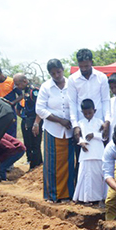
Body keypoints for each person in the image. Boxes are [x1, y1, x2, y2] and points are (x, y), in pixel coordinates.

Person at [35, 58, 76, 202]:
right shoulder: (46, 87)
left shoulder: (72, 84)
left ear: (62, 70)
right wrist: (60, 120)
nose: (57, 75)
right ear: (50, 74)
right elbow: (39, 109)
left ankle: (67, 194)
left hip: (70, 131)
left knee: (68, 163)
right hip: (53, 130)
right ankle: (52, 196)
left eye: (58, 72)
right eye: (53, 74)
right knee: (52, 164)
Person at [68, 49, 111, 141]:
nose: (83, 69)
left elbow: (106, 100)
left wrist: (107, 121)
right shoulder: (72, 79)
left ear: (91, 62)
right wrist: (75, 125)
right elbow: (72, 103)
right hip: (81, 125)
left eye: (86, 66)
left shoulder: (101, 77)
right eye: (81, 66)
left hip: (99, 124)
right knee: (82, 152)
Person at [73, 99, 106, 204]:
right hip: (86, 152)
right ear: (82, 112)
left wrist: (94, 135)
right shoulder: (80, 123)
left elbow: (104, 137)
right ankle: (86, 198)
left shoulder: (100, 122)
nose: (87, 115)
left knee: (98, 175)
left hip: (98, 152)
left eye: (90, 113)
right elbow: (78, 136)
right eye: (85, 113)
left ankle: (100, 197)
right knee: (86, 175)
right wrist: (81, 142)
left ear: (94, 111)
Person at [14, 73, 42, 169]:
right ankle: (32, 165)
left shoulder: (33, 91)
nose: (17, 87)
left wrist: (36, 123)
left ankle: (37, 166)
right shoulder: (25, 91)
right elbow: (19, 108)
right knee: (28, 145)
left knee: (35, 145)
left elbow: (40, 108)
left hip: (34, 121)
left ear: (25, 81)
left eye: (18, 84)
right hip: (27, 120)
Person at [0, 65, 22, 138]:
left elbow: (21, 95)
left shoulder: (11, 81)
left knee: (11, 136)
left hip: (10, 112)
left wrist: (13, 102)